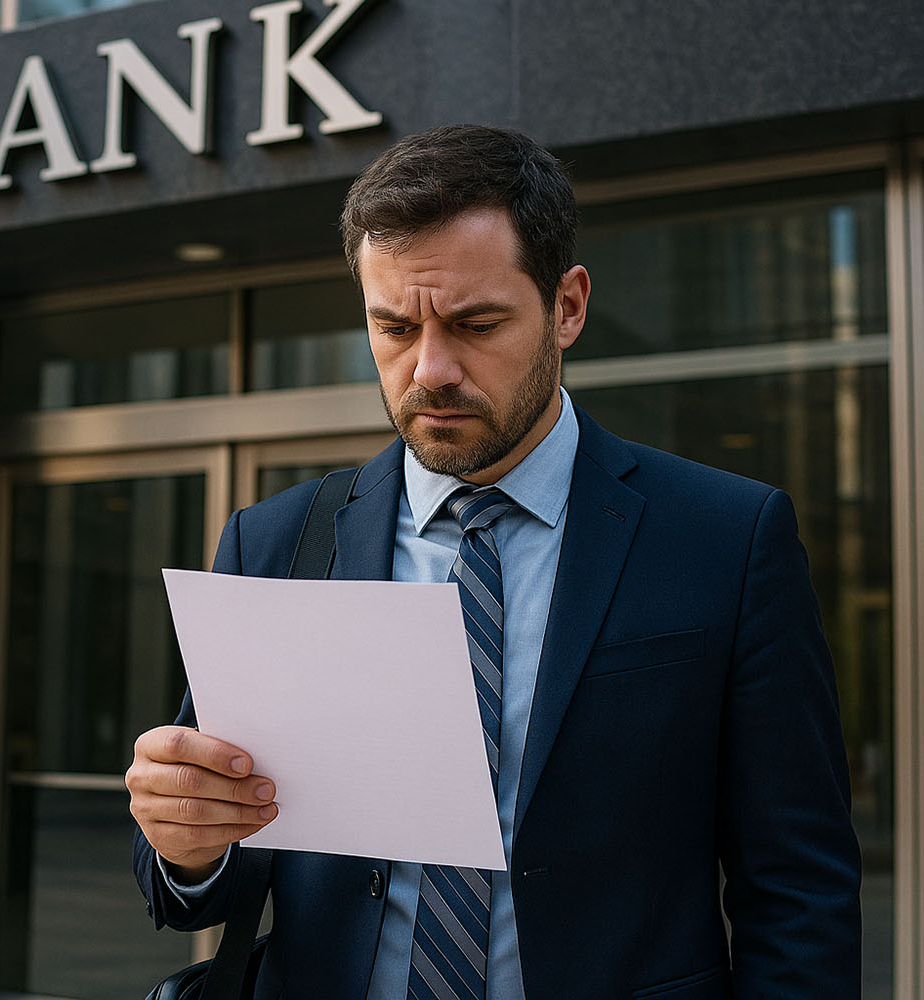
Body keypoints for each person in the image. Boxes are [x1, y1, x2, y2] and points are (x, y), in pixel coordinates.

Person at [126, 124, 861, 999]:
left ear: (569, 307)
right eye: (394, 326)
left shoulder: (726, 538)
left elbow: (799, 887)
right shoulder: (277, 541)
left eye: (476, 323)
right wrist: (187, 845)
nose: (430, 369)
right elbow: (203, 870)